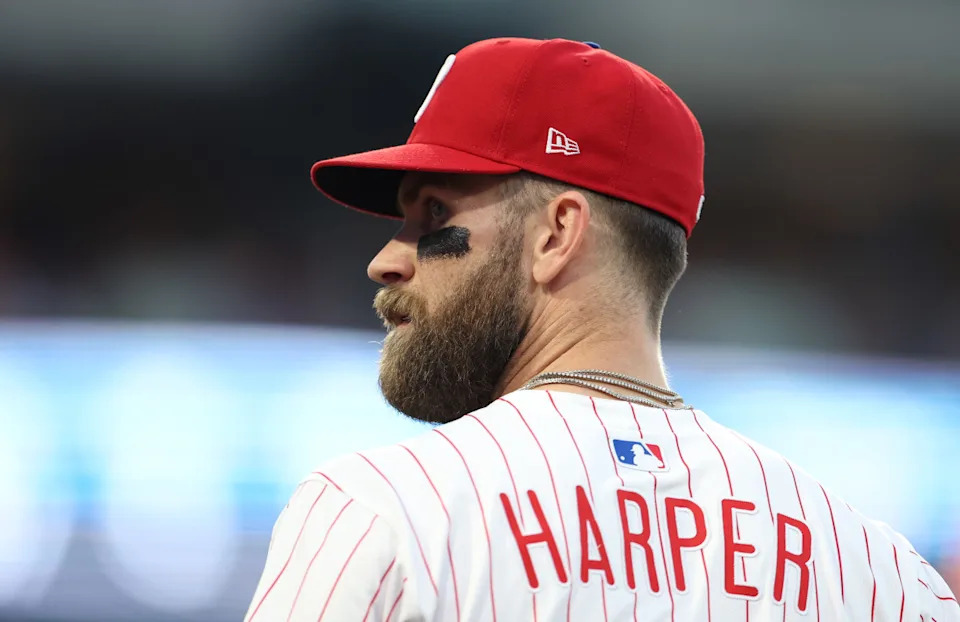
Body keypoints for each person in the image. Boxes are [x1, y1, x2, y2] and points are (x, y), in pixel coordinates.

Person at [244, 37, 959, 621]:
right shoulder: (881, 574)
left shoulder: (384, 509)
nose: (385, 260)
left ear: (557, 234)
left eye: (435, 215)